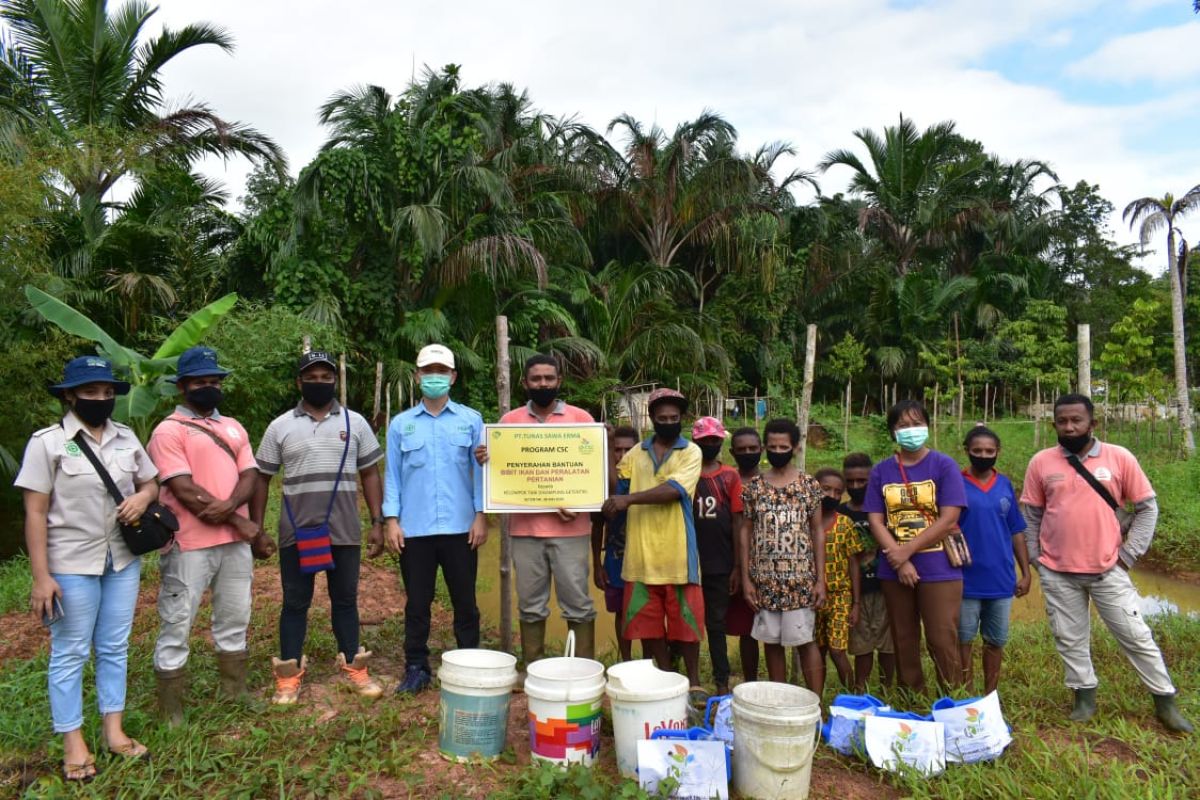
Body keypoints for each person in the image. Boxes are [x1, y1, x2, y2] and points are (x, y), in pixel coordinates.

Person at [15, 357, 159, 780]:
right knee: (71, 651)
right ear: (69, 395)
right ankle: (73, 740)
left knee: (115, 646)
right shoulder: (48, 443)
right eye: (91, 392)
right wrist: (42, 577)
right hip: (71, 563)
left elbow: (150, 481)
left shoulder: (127, 438)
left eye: (108, 392)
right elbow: (35, 513)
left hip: (122, 560)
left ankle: (114, 731)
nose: (101, 399)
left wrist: (144, 498)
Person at [1021, 394, 1192, 732]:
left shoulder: (1119, 457)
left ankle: (1164, 701)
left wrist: (1128, 556)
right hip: (1057, 571)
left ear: (1092, 424)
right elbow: (1031, 513)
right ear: (1054, 424)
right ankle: (1084, 697)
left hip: (1107, 570)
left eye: (1076, 420)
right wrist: (1035, 558)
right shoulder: (1041, 462)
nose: (1069, 427)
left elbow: (1147, 509)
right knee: (1069, 637)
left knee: (1136, 635)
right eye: (1062, 421)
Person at [251, 351, 386, 704]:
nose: (320, 382)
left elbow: (369, 473)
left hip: (343, 531)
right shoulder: (279, 427)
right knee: (295, 602)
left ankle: (355, 666)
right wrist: (257, 529)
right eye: (312, 376)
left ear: (334, 382)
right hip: (297, 532)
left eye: (327, 377)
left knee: (345, 600)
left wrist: (377, 521)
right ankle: (288, 675)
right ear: (299, 382)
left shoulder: (355, 423)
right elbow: (262, 479)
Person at [148, 346, 267, 725]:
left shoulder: (233, 426)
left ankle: (234, 691)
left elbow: (250, 474)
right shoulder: (168, 431)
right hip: (189, 544)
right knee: (178, 620)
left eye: (214, 381)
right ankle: (172, 710)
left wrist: (230, 507)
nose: (209, 387)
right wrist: (238, 519)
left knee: (235, 616)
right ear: (182, 387)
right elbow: (182, 488)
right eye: (200, 382)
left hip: (233, 546)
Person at [477, 354, 597, 663]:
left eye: (548, 378)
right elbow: (503, 470)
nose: (542, 384)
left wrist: (582, 501)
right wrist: (488, 460)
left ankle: (582, 669)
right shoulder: (508, 423)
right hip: (524, 531)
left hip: (572, 530)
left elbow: (592, 472)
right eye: (536, 379)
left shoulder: (581, 419)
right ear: (524, 383)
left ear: (559, 381)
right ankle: (533, 669)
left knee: (578, 604)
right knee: (530, 605)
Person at [383, 344, 487, 694]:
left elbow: (480, 473)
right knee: (417, 602)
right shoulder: (401, 425)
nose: (434, 378)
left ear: (453, 377)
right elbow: (393, 476)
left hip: (461, 528)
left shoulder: (471, 421)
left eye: (441, 372)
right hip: (416, 529)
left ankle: (469, 661)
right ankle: (416, 666)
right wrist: (391, 520)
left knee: (465, 601)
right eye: (428, 372)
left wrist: (480, 516)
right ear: (418, 376)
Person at [601, 388, 704, 701]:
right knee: (649, 628)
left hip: (678, 556)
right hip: (640, 558)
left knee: (686, 626)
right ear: (653, 420)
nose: (669, 422)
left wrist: (628, 499)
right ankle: (665, 677)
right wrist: (605, 448)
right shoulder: (637, 453)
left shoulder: (691, 452)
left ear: (682, 419)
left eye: (674, 418)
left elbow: (673, 490)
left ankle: (695, 682)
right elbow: (612, 487)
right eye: (662, 418)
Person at [863, 400, 966, 694]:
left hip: (939, 568)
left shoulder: (943, 465)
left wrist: (905, 552)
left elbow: (949, 519)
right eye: (903, 425)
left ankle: (952, 698)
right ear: (892, 431)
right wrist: (900, 561)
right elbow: (875, 519)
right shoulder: (882, 471)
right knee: (903, 638)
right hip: (894, 569)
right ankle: (913, 698)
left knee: (941, 637)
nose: (911, 430)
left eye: (916, 423)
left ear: (928, 426)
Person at [739, 419, 826, 687]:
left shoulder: (808, 485)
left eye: (783, 446)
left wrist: (820, 579)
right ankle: (781, 699)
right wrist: (746, 580)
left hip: (800, 581)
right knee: (772, 642)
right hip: (764, 581)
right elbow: (745, 532)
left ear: (795, 447)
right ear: (765, 447)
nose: (778, 451)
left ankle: (814, 705)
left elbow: (817, 531)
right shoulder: (755, 487)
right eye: (773, 446)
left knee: (805, 641)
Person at [958, 426, 1031, 695]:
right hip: (964, 579)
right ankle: (966, 695)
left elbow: (1016, 530)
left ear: (998, 452)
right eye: (977, 451)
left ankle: (990, 695)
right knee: (963, 640)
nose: (984, 455)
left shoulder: (1004, 484)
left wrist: (1026, 572)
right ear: (967, 451)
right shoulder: (955, 482)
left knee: (995, 641)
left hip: (1001, 579)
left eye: (989, 451)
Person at [691, 416, 745, 696]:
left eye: (715, 440)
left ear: (721, 441)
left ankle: (721, 681)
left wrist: (737, 565)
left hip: (720, 562)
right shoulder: (686, 473)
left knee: (716, 623)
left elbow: (737, 521)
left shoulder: (729, 476)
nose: (710, 444)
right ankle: (687, 679)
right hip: (688, 561)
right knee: (687, 623)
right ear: (695, 442)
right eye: (705, 441)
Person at [842, 452, 894, 692]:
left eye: (861, 481)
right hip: (856, 592)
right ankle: (860, 690)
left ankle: (887, 690)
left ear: (871, 479)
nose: (855, 486)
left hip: (886, 587)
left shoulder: (885, 511)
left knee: (888, 644)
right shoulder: (841, 514)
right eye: (850, 481)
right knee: (861, 645)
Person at [591, 426, 639, 662]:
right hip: (615, 557)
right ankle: (627, 661)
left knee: (646, 611)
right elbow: (596, 526)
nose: (621, 455)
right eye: (616, 450)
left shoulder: (645, 478)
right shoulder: (602, 482)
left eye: (627, 450)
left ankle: (652, 661)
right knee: (621, 612)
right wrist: (596, 565)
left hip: (643, 557)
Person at [813, 468, 863, 694]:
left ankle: (853, 698)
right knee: (817, 650)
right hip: (811, 597)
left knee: (836, 650)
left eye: (837, 492)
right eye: (826, 489)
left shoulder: (845, 524)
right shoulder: (804, 522)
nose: (831, 495)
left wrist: (856, 603)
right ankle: (816, 699)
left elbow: (854, 564)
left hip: (840, 595)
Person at [728, 427, 763, 683]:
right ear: (732, 453)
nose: (748, 453)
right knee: (746, 629)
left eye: (753, 448)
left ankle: (778, 682)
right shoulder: (729, 481)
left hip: (773, 565)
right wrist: (738, 568)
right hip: (737, 565)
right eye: (742, 450)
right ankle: (749, 681)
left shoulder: (772, 481)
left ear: (761, 449)